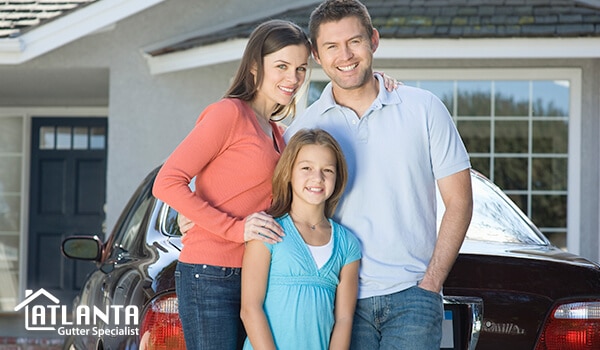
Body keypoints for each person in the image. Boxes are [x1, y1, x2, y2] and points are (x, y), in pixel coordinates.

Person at [283, 1, 474, 349]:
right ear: (316, 54)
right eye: (331, 46)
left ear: (373, 40)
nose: (345, 55)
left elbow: (460, 201)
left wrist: (430, 283)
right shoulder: (303, 129)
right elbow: (279, 208)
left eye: (354, 41)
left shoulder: (422, 108)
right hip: (337, 297)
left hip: (412, 296)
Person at [152, 19, 311, 350]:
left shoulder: (278, 133)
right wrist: (234, 229)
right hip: (210, 275)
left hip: (255, 276)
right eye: (281, 66)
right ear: (254, 67)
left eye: (300, 68)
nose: (292, 78)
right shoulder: (229, 114)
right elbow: (167, 182)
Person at [240, 128, 361, 350]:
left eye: (327, 170)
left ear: (338, 177)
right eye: (306, 168)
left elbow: (344, 319)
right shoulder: (267, 231)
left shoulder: (347, 244)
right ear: (289, 173)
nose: (317, 178)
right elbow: (250, 308)